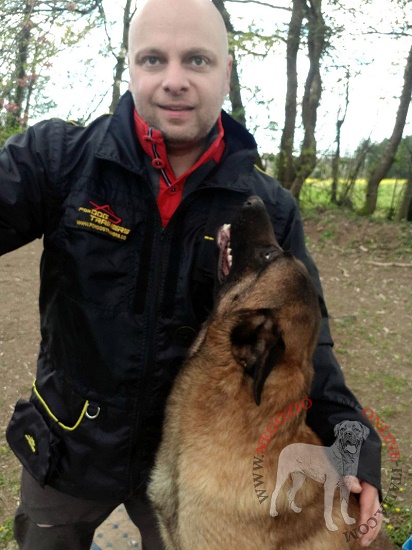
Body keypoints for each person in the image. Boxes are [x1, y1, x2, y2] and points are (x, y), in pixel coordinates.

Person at [0, 0, 383, 548]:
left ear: (226, 71)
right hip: (69, 446)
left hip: (186, 465)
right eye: (153, 60)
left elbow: (306, 344)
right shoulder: (59, 161)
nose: (173, 80)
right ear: (129, 67)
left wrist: (354, 446)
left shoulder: (268, 208)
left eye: (197, 60)